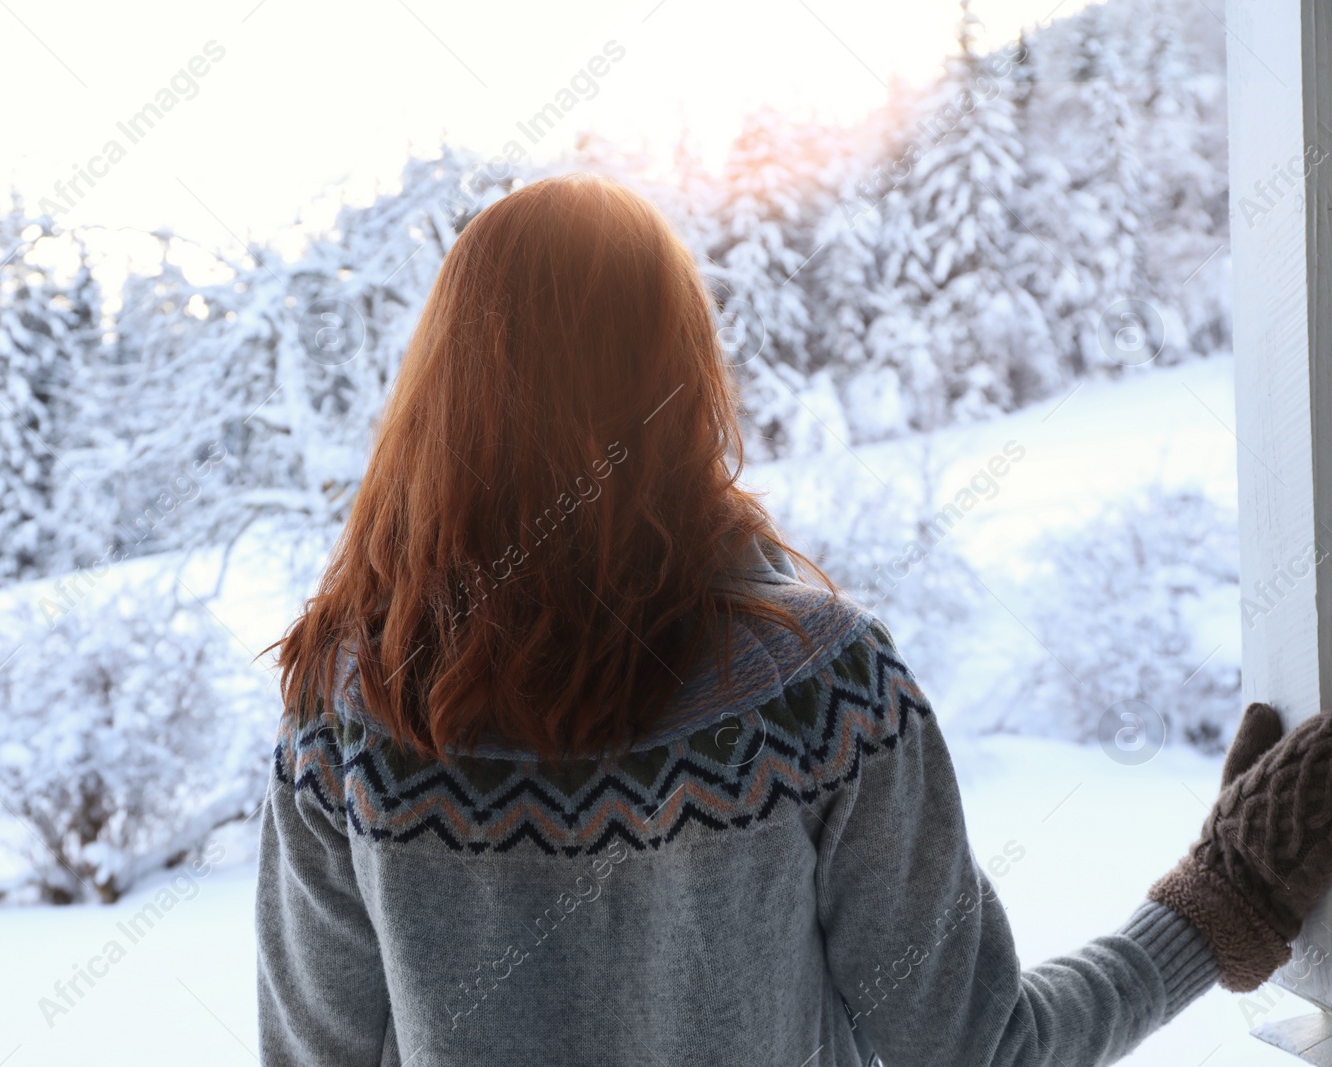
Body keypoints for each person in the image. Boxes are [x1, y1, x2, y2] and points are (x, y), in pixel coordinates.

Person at [256, 173, 1332, 1066]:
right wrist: (1225, 894)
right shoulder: (819, 692)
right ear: (683, 382)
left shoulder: (346, 709)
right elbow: (977, 1052)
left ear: (442, 397)